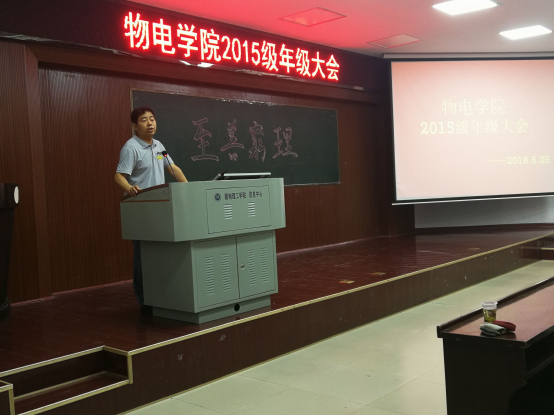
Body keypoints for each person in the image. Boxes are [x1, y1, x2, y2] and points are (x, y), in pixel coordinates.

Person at [115, 107, 187, 312]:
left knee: (159, 253)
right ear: (135, 126)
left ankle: (160, 294)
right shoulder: (131, 148)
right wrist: (130, 188)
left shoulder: (159, 146)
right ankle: (144, 300)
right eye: (144, 120)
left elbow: (172, 168)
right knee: (142, 255)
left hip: (160, 207)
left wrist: (188, 189)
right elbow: (118, 176)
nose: (150, 123)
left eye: (152, 119)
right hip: (141, 209)